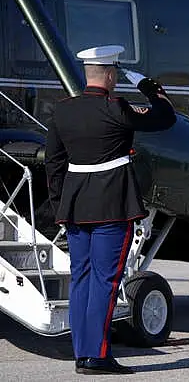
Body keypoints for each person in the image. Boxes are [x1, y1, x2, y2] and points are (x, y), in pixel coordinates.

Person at [44, 45, 176, 375]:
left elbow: (54, 163)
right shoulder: (115, 107)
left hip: (75, 207)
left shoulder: (62, 110)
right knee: (105, 281)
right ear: (111, 75)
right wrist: (151, 89)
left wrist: (60, 204)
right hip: (111, 206)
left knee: (82, 280)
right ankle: (98, 356)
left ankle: (82, 353)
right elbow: (165, 118)